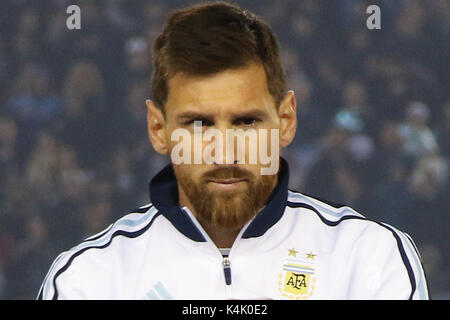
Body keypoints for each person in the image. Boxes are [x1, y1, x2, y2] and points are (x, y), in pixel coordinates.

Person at [38, 1, 428, 300]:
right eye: (198, 124)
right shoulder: (89, 279)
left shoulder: (368, 260)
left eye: (246, 122)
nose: (224, 152)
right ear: (158, 129)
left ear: (286, 121)